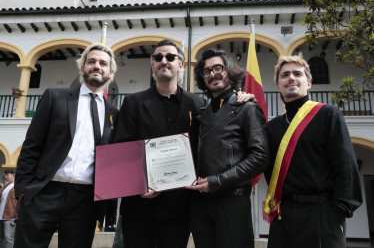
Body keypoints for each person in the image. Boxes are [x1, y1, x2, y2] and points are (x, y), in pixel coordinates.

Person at [114, 40, 254, 248]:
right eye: (158, 57)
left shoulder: (198, 105)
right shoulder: (133, 103)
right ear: (152, 65)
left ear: (180, 65)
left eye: (170, 57)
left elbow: (203, 148)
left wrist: (239, 97)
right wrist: (140, 183)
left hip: (179, 208)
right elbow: (121, 150)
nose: (164, 61)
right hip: (140, 205)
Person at [14, 43, 119, 248]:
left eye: (103, 63)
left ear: (111, 72)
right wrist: (24, 190)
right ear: (82, 68)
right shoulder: (55, 97)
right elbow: (31, 145)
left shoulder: (114, 114)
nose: (97, 66)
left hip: (85, 201)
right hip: (45, 193)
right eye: (91, 61)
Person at [263, 54, 362, 248]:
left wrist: (337, 215)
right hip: (282, 217)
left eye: (297, 73)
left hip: (321, 214)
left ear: (308, 83)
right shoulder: (272, 127)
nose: (291, 77)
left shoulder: (328, 114)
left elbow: (346, 167)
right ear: (277, 86)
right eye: (284, 75)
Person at [186, 48, 269, 248]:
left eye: (218, 68)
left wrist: (217, 181)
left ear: (229, 71)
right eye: (206, 71)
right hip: (201, 203)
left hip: (232, 200)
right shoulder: (201, 114)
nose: (212, 74)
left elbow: (260, 156)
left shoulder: (248, 108)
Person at [0, 168, 18, 248]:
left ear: (13, 175)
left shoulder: (17, 187)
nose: (5, 177)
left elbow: (20, 203)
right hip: (1, 217)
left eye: (7, 175)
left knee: (8, 239)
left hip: (10, 217)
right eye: (5, 175)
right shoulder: (6, 187)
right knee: (1, 239)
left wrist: (16, 218)